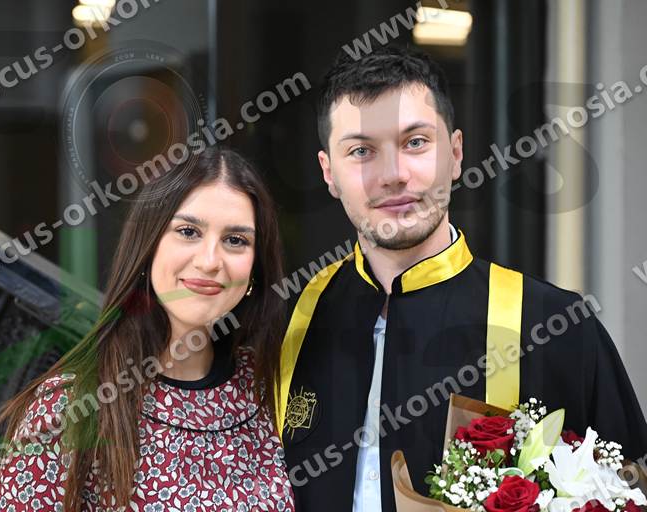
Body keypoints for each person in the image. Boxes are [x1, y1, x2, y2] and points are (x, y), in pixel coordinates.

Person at [276, 45, 647, 511]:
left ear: (455, 154)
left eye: (415, 142)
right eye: (361, 151)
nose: (393, 175)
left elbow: (631, 489)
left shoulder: (555, 328)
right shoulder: (289, 321)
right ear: (329, 172)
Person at [0, 147, 294, 511]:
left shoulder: (269, 391)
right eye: (188, 231)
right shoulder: (67, 410)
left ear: (255, 267)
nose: (210, 261)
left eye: (235, 240)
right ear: (148, 246)